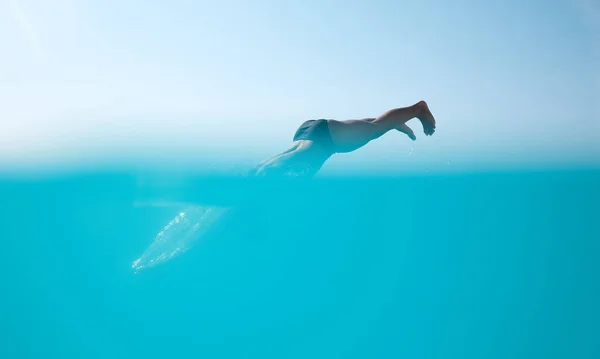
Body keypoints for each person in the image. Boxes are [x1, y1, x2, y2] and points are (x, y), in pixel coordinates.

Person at [250, 101, 436, 177]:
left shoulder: (264, 179)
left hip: (323, 141)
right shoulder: (259, 173)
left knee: (374, 130)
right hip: (307, 132)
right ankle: (393, 122)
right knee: (373, 129)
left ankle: (418, 109)